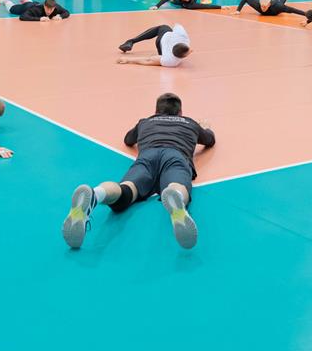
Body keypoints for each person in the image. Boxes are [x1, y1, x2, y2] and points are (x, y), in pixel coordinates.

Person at [62, 92, 214, 250]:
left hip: (147, 157)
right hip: (175, 156)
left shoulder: (145, 122)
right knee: (177, 185)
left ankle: (96, 194)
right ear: (180, 112)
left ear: (156, 111)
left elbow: (128, 140)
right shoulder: (190, 123)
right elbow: (210, 140)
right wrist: (205, 128)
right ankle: (176, 198)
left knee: (126, 189)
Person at [117, 23, 191, 67]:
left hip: (162, 38)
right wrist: (128, 60)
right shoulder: (171, 61)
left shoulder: (183, 36)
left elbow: (177, 25)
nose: (191, 50)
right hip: (162, 49)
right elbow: (148, 60)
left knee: (164, 27)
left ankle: (131, 41)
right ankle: (130, 42)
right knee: (160, 60)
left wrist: (128, 59)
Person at [0, 0, 69, 21]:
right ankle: (0, 0)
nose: (49, 11)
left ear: (54, 8)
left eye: (51, 9)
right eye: (47, 9)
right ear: (44, 6)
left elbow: (67, 12)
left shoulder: (56, 7)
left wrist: (60, 16)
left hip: (33, 3)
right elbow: (22, 17)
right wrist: (39, 19)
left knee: (30, 2)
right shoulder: (36, 10)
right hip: (26, 7)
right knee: (11, 8)